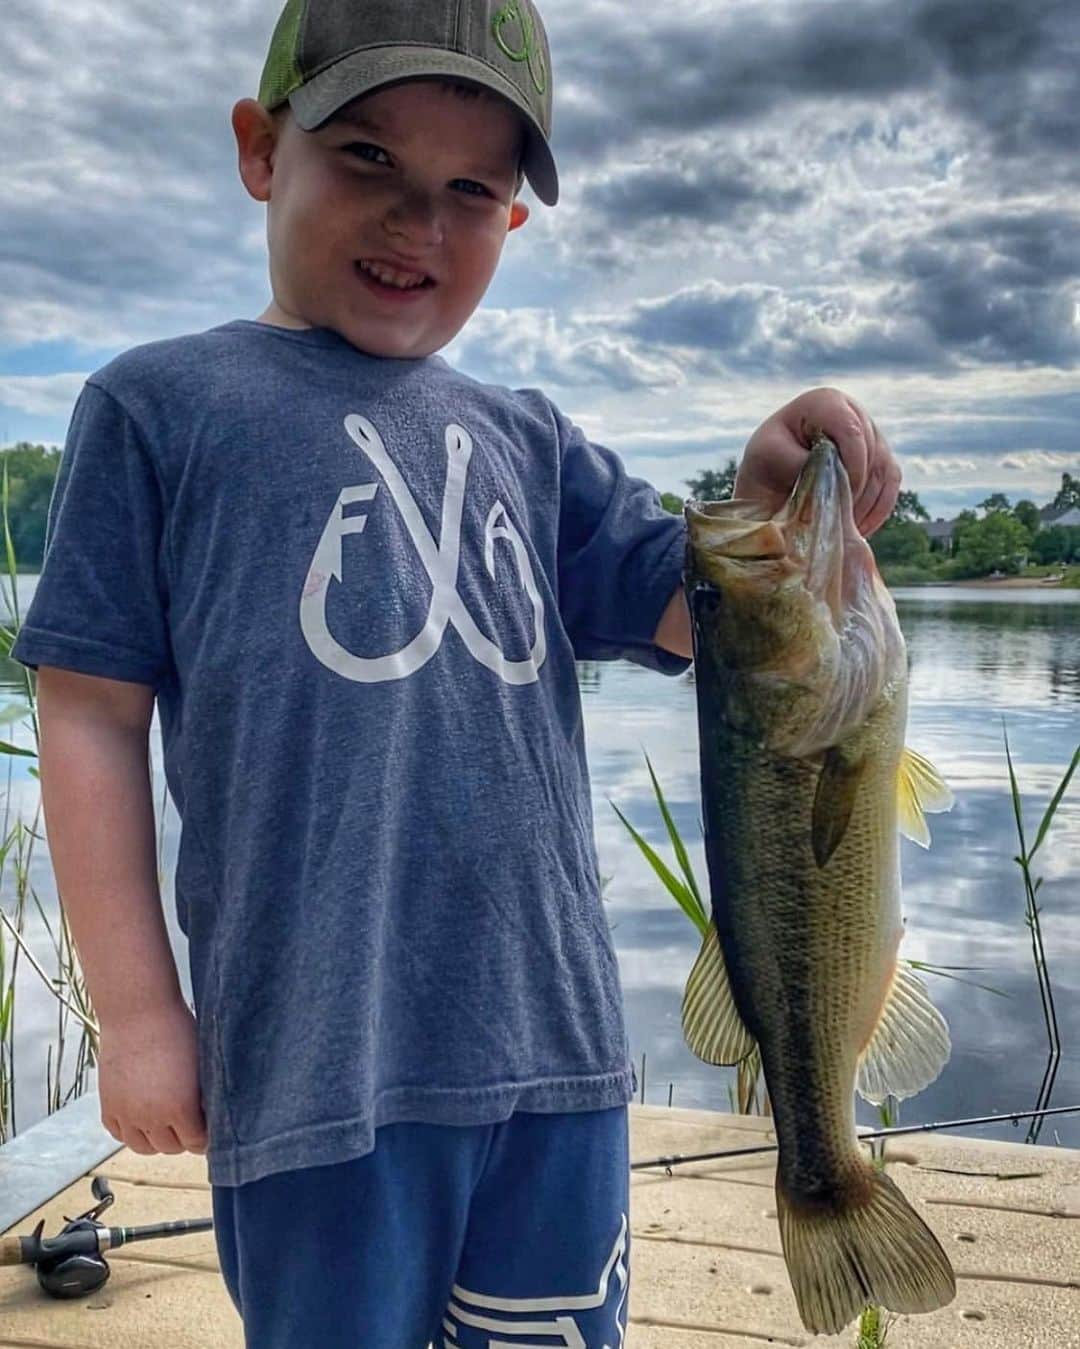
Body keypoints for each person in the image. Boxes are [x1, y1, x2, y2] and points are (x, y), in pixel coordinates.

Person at [12, 0, 900, 1344]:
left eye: (469, 188)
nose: (416, 223)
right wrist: (138, 1015)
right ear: (262, 150)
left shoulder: (533, 441)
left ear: (513, 222)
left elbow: (698, 618)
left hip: (554, 1058)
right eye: (367, 158)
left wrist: (769, 497)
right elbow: (84, 716)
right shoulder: (157, 409)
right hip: (314, 1069)